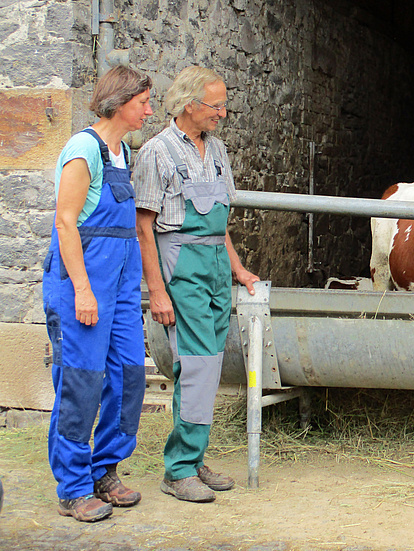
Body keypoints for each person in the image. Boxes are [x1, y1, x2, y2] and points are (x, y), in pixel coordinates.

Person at [134, 66, 259, 503]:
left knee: (208, 362)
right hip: (180, 261)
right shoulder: (158, 152)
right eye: (216, 105)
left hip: (212, 265)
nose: (222, 113)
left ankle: (193, 457)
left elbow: (220, 222)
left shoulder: (218, 151)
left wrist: (238, 269)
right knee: (197, 362)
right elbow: (144, 227)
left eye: (224, 104)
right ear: (190, 104)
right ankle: (179, 469)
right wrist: (158, 291)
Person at [42, 65, 153, 522]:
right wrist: (84, 292)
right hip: (82, 287)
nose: (149, 108)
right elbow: (66, 222)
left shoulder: (122, 150)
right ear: (120, 101)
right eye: (143, 101)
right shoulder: (83, 149)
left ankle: (104, 469)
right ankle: (71, 487)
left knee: (129, 379)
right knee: (81, 384)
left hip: (122, 291)